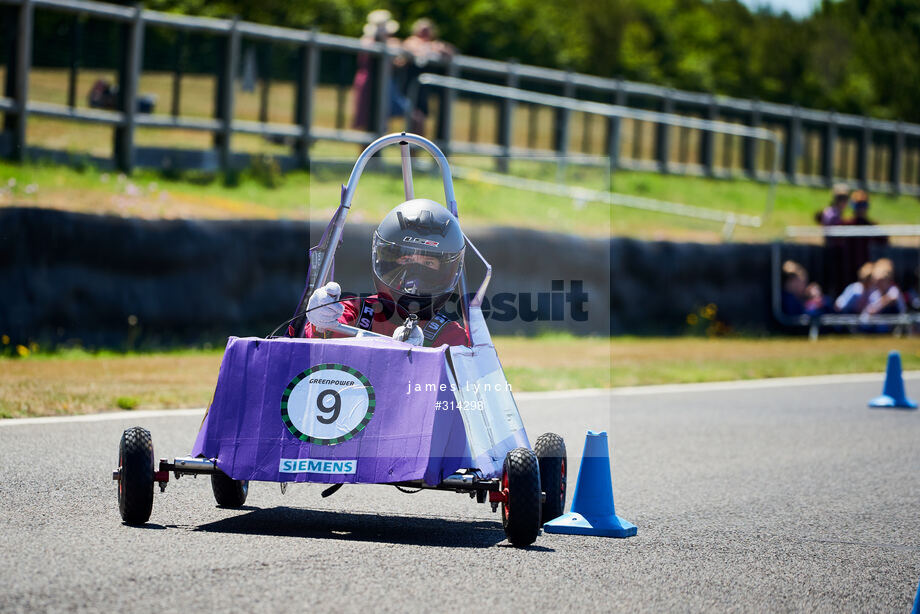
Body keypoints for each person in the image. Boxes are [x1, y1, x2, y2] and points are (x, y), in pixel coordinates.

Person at [304, 199, 468, 348]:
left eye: (428, 263)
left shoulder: (451, 336)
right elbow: (310, 350)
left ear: (446, 271)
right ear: (387, 263)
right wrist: (319, 325)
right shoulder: (356, 312)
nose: (415, 274)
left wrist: (423, 356)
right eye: (407, 260)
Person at [351, 10, 408, 133]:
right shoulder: (368, 40)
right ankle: (369, 151)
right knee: (367, 120)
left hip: (380, 82)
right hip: (368, 82)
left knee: (381, 120)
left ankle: (376, 150)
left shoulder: (387, 43)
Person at [402, 19, 455, 135]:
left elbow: (450, 52)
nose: (424, 34)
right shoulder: (411, 42)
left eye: (427, 31)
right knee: (415, 120)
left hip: (422, 92)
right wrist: (429, 48)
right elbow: (411, 47)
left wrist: (436, 48)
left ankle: (416, 150)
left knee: (420, 121)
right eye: (422, 31)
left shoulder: (434, 44)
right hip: (407, 88)